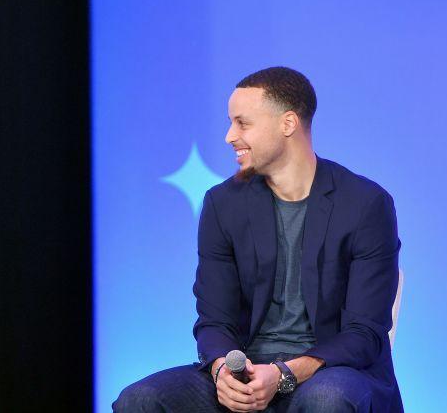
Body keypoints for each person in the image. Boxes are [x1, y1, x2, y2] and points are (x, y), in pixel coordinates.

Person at [114, 67, 403, 412]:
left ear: (288, 124)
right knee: (140, 400)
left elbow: (364, 333)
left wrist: (284, 373)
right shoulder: (224, 204)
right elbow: (214, 320)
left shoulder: (364, 204)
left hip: (330, 371)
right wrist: (222, 369)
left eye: (242, 123)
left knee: (326, 400)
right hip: (247, 370)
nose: (229, 136)